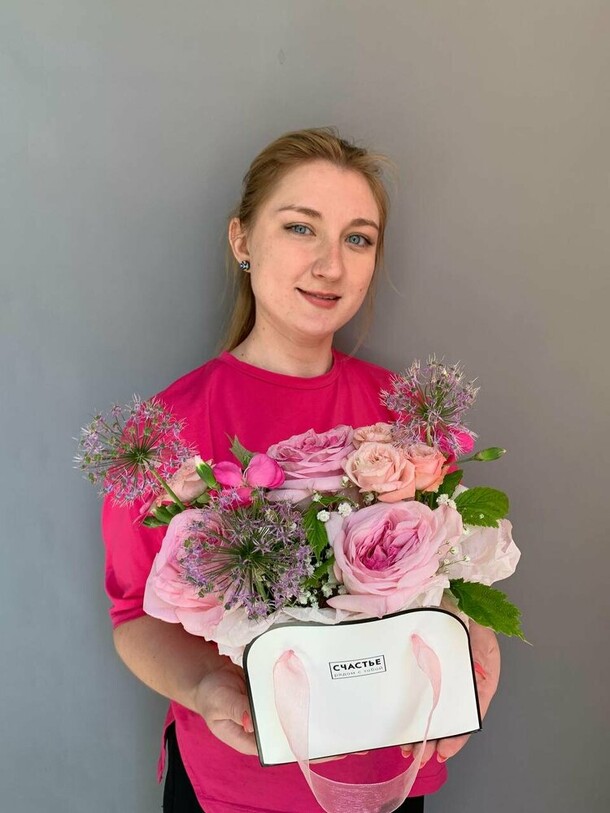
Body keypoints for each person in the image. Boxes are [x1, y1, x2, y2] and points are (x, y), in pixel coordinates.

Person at [102, 127, 501, 813]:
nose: (330, 265)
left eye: (357, 239)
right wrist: (204, 687)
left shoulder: (406, 413)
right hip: (238, 783)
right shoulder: (162, 435)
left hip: (389, 771)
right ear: (242, 240)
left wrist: (477, 651)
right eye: (300, 228)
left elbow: (454, 574)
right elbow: (134, 615)